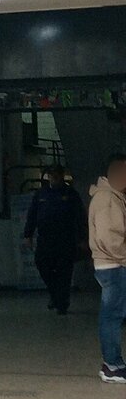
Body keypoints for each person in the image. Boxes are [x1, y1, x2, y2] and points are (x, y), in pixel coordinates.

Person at [23, 165, 86, 314]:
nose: (54, 177)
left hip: (65, 239)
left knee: (64, 272)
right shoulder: (41, 194)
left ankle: (61, 304)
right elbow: (32, 215)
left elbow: (80, 217)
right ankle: (55, 294)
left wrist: (83, 238)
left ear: (62, 176)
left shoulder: (71, 194)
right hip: (46, 239)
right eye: (51, 175)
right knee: (42, 265)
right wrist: (28, 235)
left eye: (56, 175)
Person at [88, 154, 126, 383]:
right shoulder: (106, 199)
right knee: (112, 316)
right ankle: (111, 365)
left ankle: (115, 362)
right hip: (113, 265)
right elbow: (108, 237)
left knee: (113, 314)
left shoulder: (114, 196)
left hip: (113, 264)